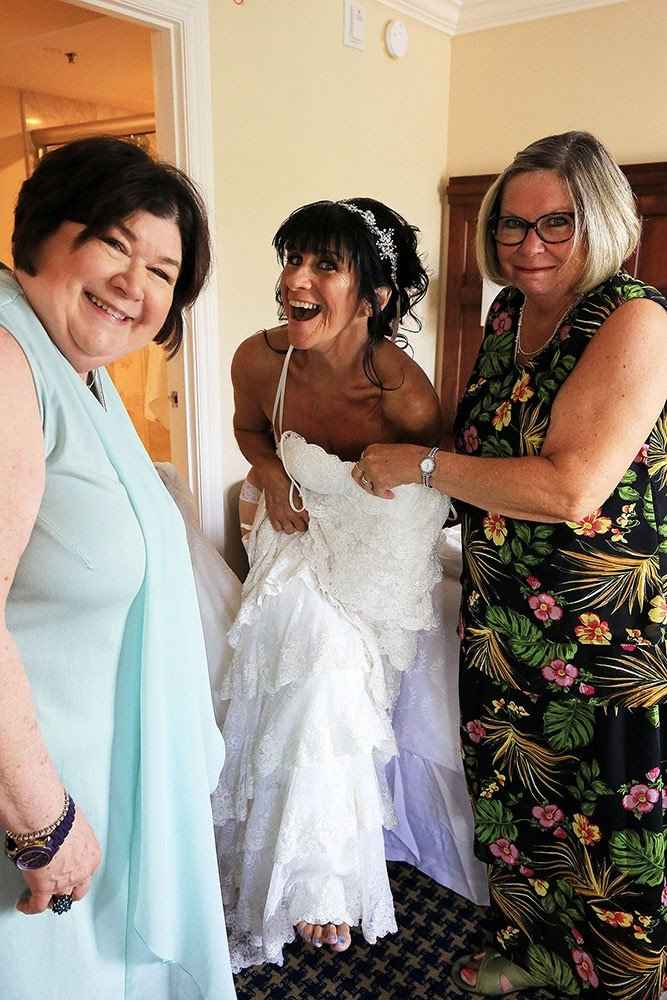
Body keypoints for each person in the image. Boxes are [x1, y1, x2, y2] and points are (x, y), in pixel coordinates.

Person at [353, 130, 667, 998]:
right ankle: (532, 951)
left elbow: (571, 487)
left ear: (600, 221)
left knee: (605, 823)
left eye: (554, 224)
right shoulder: (506, 315)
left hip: (601, 630)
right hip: (502, 611)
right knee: (513, 799)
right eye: (510, 226)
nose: (526, 246)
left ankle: (617, 984)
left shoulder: (635, 319)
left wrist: (420, 467)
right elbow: (474, 443)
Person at [213, 197, 486, 971]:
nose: (293, 279)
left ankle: (317, 874)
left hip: (377, 543)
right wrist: (267, 476)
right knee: (313, 657)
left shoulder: (403, 391)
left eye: (323, 265)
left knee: (337, 669)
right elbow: (249, 430)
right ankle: (314, 886)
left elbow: (426, 500)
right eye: (291, 258)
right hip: (292, 525)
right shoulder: (256, 359)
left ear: (373, 296)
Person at [0, 136, 236, 1000]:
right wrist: (43, 823)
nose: (135, 286)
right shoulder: (7, 361)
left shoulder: (79, 373)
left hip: (83, 776)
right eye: (114, 242)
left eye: (164, 271)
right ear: (41, 233)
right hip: (30, 805)